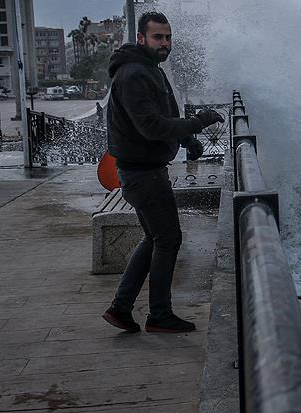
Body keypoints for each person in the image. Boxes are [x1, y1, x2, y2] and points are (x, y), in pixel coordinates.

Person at [101, 11, 223, 333]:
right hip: (143, 174)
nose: (165, 43)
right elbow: (151, 126)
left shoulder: (150, 69)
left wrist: (186, 139)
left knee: (154, 239)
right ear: (141, 38)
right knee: (168, 238)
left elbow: (163, 114)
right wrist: (199, 122)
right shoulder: (134, 75)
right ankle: (159, 314)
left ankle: (120, 308)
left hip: (144, 170)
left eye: (168, 37)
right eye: (158, 37)